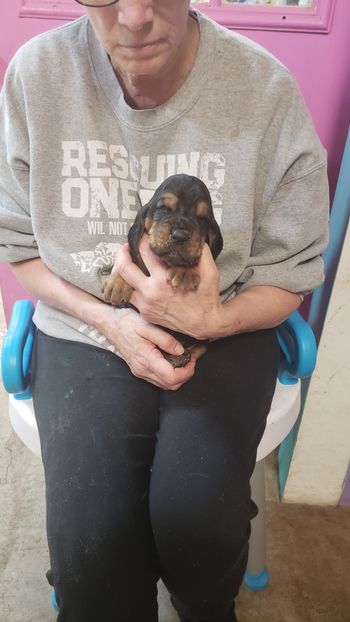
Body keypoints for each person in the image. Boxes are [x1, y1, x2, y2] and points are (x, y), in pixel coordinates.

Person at [0, 1, 329, 621]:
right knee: (92, 550)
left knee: (196, 525)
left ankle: (204, 601)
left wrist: (214, 322)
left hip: (228, 324)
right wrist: (111, 321)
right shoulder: (35, 77)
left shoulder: (266, 90)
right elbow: (17, 246)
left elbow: (291, 272)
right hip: (87, 327)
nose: (134, 16)